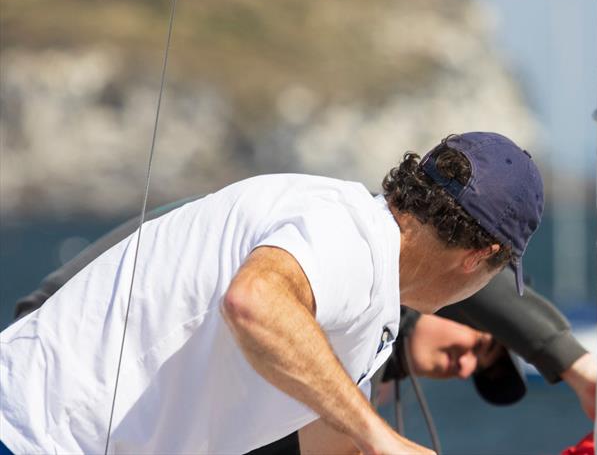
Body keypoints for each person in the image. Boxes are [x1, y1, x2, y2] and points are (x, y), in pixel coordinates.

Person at [0, 131, 544, 454]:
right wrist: (383, 438)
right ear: (481, 257)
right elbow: (255, 302)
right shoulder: (349, 232)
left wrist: (367, 439)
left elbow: (325, 437)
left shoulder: (371, 289)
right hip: (29, 433)